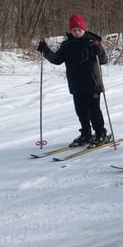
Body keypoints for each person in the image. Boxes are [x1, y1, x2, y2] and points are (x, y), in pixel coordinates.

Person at [37, 14, 110, 147]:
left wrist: (99, 51)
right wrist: (45, 50)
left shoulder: (92, 42)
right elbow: (57, 59)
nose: (77, 33)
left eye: (79, 30)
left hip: (93, 84)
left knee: (94, 111)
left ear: (84, 29)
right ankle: (86, 134)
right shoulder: (67, 45)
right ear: (70, 30)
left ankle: (101, 133)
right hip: (76, 84)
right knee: (81, 111)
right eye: (74, 30)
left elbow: (104, 60)